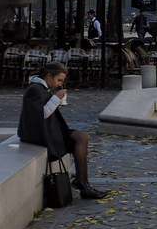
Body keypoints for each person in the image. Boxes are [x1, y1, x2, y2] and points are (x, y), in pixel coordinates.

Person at [18, 61, 105, 200]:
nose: (60, 84)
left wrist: (57, 100)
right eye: (59, 80)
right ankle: (82, 183)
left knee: (82, 137)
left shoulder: (43, 88)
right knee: (80, 138)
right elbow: (41, 115)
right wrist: (56, 98)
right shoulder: (34, 89)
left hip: (49, 130)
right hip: (39, 134)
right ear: (49, 75)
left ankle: (82, 181)